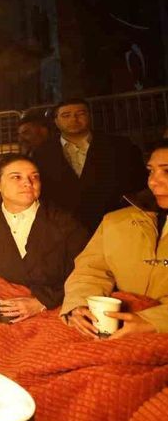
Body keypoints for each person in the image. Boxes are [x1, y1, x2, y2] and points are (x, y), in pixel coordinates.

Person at [0, 154, 89, 329]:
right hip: (0, 307)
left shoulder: (65, 222)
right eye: (16, 177)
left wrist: (41, 302)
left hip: (57, 305)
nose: (28, 183)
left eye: (34, 177)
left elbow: (85, 271)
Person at [61, 140, 168, 338]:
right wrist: (80, 305)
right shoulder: (117, 221)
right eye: (151, 171)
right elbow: (90, 270)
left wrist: (153, 321)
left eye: (166, 171)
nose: (153, 181)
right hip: (116, 323)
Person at [33, 98, 146, 232]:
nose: (74, 119)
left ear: (89, 116)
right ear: (56, 120)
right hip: (65, 227)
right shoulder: (42, 152)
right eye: (66, 115)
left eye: (80, 114)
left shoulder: (119, 146)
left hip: (114, 222)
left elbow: (138, 182)